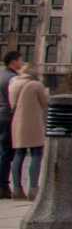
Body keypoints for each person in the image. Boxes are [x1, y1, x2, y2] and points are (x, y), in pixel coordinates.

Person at [6, 62, 46, 200]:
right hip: (33, 122)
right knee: (36, 154)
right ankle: (33, 189)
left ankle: (16, 189)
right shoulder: (36, 85)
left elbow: (12, 103)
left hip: (17, 122)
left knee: (18, 155)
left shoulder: (14, 84)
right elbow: (45, 103)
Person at [0, 50, 20, 200]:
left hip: (1, 116)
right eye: (20, 60)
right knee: (7, 154)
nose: (22, 63)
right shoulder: (13, 78)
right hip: (8, 118)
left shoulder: (1, 75)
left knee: (2, 152)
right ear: (13, 61)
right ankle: (3, 186)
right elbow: (14, 101)